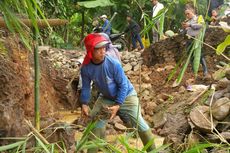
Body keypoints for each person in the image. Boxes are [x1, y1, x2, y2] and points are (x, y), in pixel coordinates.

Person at [80, 33, 155, 153]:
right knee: (94, 123)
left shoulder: (113, 63)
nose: (102, 51)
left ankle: (153, 151)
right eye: (98, 49)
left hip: (127, 96)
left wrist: (118, 104)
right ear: (90, 51)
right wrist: (84, 103)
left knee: (140, 123)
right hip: (106, 97)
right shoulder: (86, 68)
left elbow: (123, 85)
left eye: (104, 48)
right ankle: (93, 150)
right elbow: (85, 87)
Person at [182, 7, 209, 77]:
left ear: (192, 12)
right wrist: (184, 28)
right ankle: (193, 70)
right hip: (189, 39)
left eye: (188, 13)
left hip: (197, 39)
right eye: (186, 14)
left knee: (200, 55)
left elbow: (201, 25)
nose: (187, 15)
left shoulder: (199, 18)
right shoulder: (187, 20)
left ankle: (205, 70)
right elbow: (186, 30)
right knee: (190, 55)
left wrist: (190, 25)